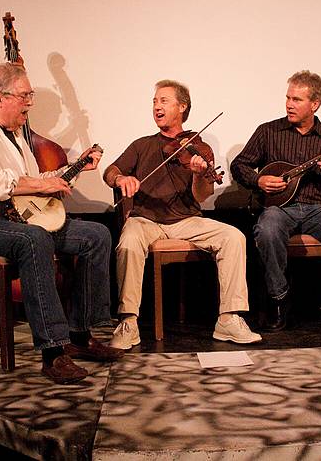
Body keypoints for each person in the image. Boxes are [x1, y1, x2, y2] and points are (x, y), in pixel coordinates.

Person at [0, 62, 122, 383]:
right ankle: (53, 353)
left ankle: (80, 334)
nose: (30, 103)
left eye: (30, 95)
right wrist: (41, 185)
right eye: (24, 96)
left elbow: (33, 181)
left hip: (20, 219)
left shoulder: (15, 137)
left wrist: (76, 169)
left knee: (96, 235)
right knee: (33, 239)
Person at [104, 79, 262, 349]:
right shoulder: (141, 145)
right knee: (128, 241)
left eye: (163, 101)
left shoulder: (198, 149)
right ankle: (128, 321)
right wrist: (121, 180)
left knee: (233, 236)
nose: (156, 106)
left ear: (182, 107)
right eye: (154, 101)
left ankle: (229, 318)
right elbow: (110, 171)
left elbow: (201, 196)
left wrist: (200, 174)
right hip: (146, 220)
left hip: (187, 221)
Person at [230, 70, 321, 339]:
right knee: (267, 227)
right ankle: (280, 300)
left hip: (319, 209)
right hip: (280, 210)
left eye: (297, 99)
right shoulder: (268, 131)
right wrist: (259, 180)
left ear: (314, 104)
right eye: (288, 98)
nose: (289, 104)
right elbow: (239, 165)